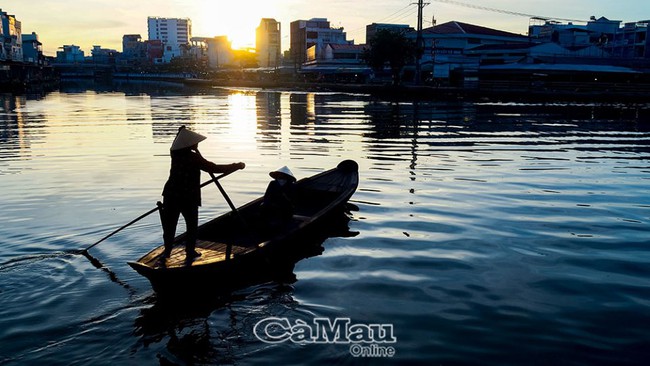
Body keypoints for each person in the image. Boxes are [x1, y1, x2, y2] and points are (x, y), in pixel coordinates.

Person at [161, 126, 245, 260]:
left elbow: (175, 144)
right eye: (195, 142)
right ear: (190, 144)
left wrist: (179, 134)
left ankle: (167, 253)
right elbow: (214, 168)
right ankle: (189, 251)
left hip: (171, 195)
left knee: (169, 227)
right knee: (191, 226)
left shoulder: (174, 154)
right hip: (187, 196)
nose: (197, 144)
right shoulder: (194, 158)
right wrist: (236, 165)